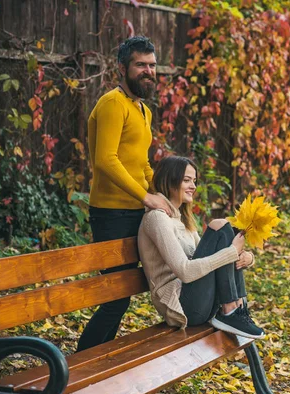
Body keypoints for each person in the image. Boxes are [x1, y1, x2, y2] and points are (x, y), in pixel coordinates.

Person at [77, 36, 172, 352]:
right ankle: (77, 365)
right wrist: (146, 198)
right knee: (116, 297)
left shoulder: (142, 111)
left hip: (135, 214)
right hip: (110, 214)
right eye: (140, 64)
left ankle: (94, 361)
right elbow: (106, 160)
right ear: (123, 68)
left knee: (122, 295)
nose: (148, 71)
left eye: (152, 65)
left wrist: (163, 195)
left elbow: (142, 163)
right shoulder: (112, 104)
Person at [137, 156, 265, 339]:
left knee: (224, 229)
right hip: (183, 308)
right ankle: (230, 310)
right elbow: (186, 272)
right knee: (219, 226)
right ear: (169, 180)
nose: (193, 186)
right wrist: (231, 253)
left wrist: (247, 258)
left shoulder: (183, 219)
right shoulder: (157, 219)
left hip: (198, 300)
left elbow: (213, 258)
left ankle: (237, 308)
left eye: (194, 181)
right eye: (187, 180)